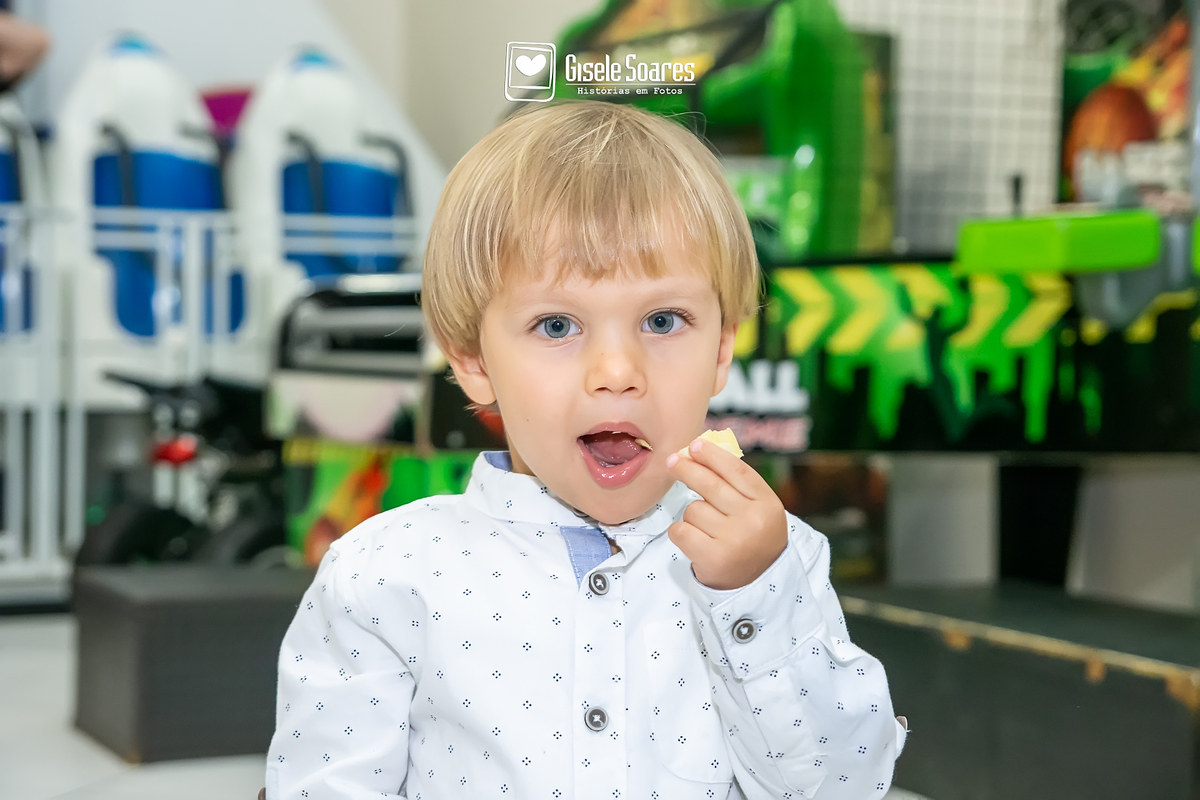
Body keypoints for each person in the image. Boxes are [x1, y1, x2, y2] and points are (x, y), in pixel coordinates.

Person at [264, 99, 907, 799]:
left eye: (663, 320)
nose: (617, 371)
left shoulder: (780, 563)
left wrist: (754, 599)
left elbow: (846, 786)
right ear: (473, 359)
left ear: (722, 349)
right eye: (557, 325)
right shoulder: (385, 575)